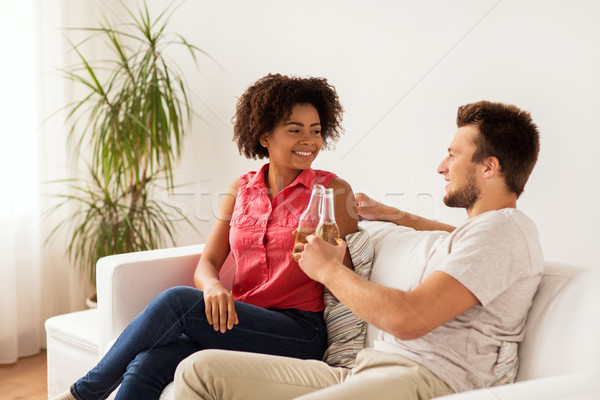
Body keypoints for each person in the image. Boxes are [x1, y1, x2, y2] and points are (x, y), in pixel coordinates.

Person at [173, 100, 543, 400]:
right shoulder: (482, 233)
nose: (442, 167)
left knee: (178, 313)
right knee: (198, 371)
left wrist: (329, 270)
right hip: (369, 368)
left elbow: (408, 320)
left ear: (489, 167)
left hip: (423, 378)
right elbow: (460, 235)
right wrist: (394, 215)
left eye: (453, 155)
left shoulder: (504, 231)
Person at [53, 73, 358, 400]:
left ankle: (82, 394)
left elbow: (351, 275)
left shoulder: (331, 192)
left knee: (177, 302)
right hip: (241, 318)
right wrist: (213, 286)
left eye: (315, 131)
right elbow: (208, 262)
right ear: (264, 136)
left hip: (300, 332)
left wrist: (335, 255)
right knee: (148, 362)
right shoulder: (241, 189)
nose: (309, 140)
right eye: (295, 130)